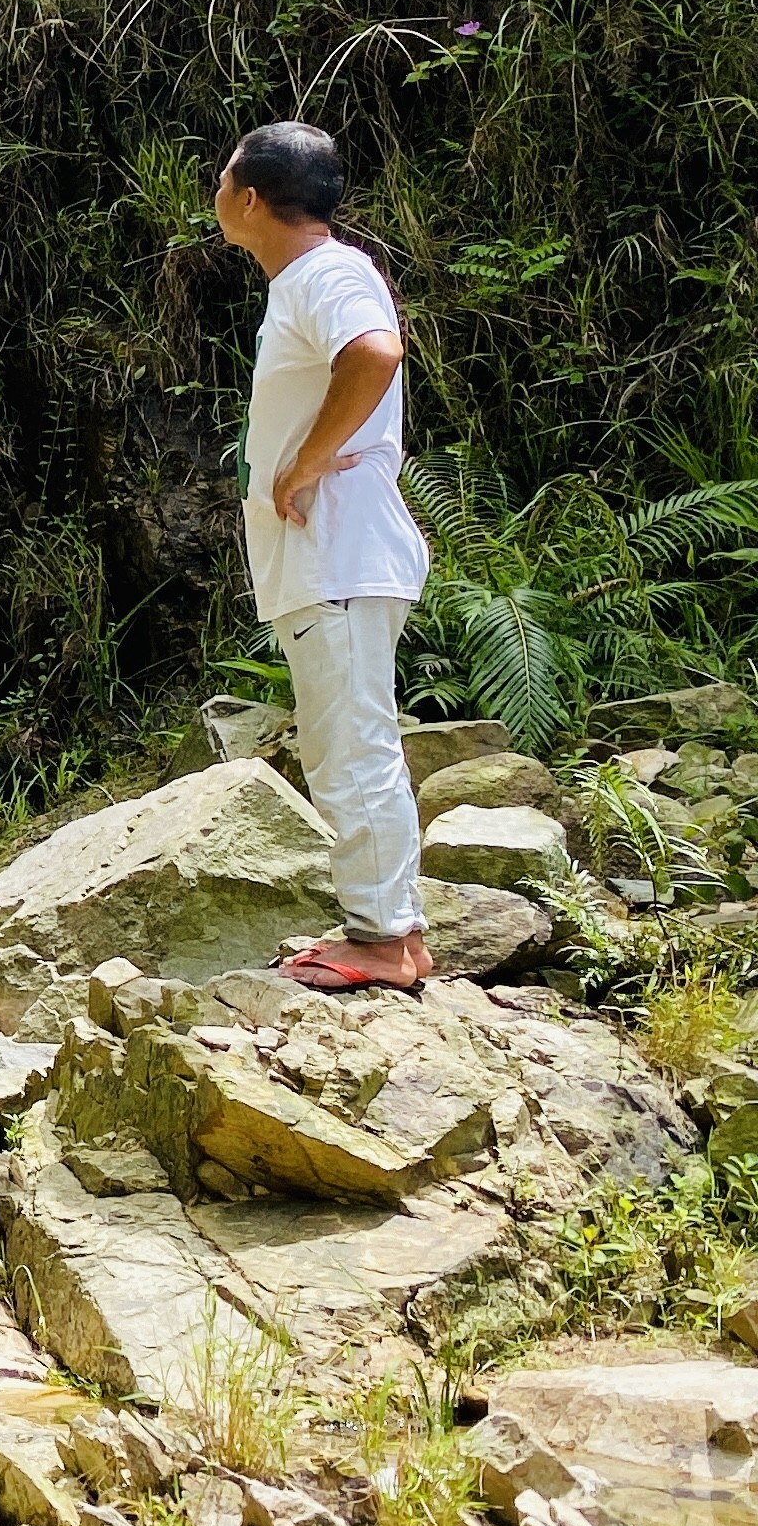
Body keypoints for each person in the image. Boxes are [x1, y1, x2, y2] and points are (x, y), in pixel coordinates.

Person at [213, 121, 436, 992]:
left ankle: (380, 942)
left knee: (351, 749)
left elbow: (376, 353)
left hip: (339, 553)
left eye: (223, 177)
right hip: (331, 560)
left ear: (251, 199)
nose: (218, 192)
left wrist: (306, 461)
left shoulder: (327, 274)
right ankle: (395, 934)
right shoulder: (307, 280)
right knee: (349, 743)